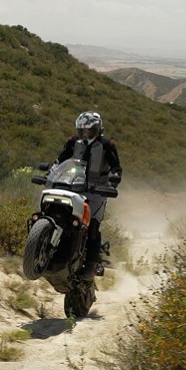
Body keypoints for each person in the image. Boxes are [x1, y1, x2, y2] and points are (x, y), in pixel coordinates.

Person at [54, 111, 122, 280]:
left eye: (89, 131)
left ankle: (91, 266)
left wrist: (114, 180)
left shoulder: (107, 145)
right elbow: (61, 160)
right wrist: (52, 170)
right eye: (82, 131)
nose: (85, 135)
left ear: (98, 130)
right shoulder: (73, 142)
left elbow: (116, 167)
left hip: (97, 191)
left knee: (92, 226)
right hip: (73, 185)